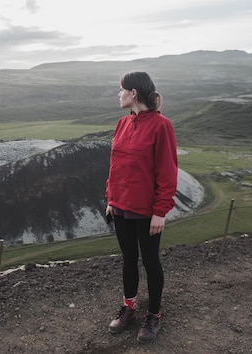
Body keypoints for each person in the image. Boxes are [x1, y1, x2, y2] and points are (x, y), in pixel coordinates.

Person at [105, 71, 178, 343]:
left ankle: (154, 315)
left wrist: (160, 211)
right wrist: (111, 198)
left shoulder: (161, 126)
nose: (119, 94)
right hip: (121, 206)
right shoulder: (122, 123)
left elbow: (168, 173)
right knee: (128, 260)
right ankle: (130, 307)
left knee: (150, 261)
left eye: (121, 89)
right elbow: (116, 167)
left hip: (147, 211)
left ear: (133, 93)